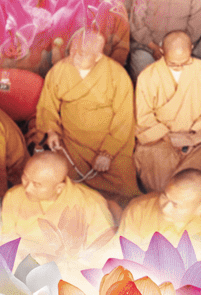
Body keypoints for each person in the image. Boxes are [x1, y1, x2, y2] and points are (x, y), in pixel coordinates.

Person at [32, 30, 137, 202]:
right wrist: (51, 132)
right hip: (72, 142)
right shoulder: (59, 70)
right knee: (63, 185)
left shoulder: (117, 74)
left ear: (98, 57)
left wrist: (107, 153)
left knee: (124, 189)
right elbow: (47, 106)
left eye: (82, 54)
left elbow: (124, 118)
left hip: (111, 143)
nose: (74, 58)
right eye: (72, 51)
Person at [133, 32, 201, 192]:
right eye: (173, 64)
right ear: (161, 51)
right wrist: (168, 138)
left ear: (191, 48)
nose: (179, 67)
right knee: (154, 162)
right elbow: (143, 117)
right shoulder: (147, 76)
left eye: (184, 62)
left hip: (198, 138)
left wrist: (194, 136)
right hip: (160, 140)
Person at [0, 152, 115, 258]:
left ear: (59, 188)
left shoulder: (91, 203)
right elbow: (8, 240)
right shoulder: (13, 196)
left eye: (37, 184)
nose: (27, 188)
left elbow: (102, 250)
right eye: (25, 178)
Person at [117, 170, 201, 245]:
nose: (165, 209)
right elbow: (121, 253)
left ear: (200, 209)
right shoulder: (139, 209)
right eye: (164, 197)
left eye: (176, 205)